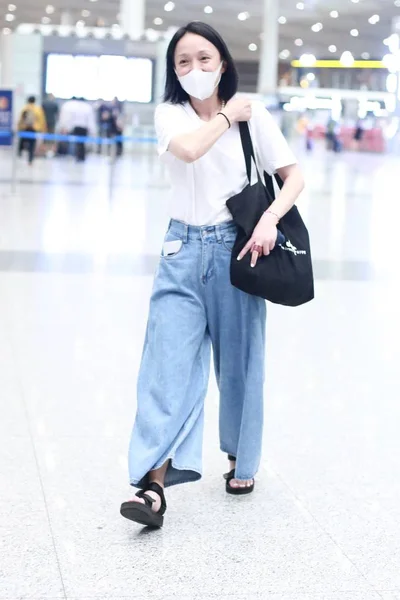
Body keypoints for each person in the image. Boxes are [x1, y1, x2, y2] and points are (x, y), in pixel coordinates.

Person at [120, 21, 304, 528]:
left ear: (222, 62)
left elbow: (294, 177)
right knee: (165, 367)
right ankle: (152, 486)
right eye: (183, 62)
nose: (195, 69)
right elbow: (189, 150)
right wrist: (226, 114)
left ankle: (239, 460)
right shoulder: (170, 115)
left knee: (241, 364)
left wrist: (268, 220)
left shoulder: (256, 116)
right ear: (173, 72)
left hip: (236, 248)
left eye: (204, 59)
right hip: (180, 250)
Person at [58, 96, 96, 162]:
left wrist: (65, 127)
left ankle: (74, 155)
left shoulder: (70, 106)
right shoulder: (87, 107)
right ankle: (81, 157)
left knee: (75, 142)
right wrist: (92, 130)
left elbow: (68, 118)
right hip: (84, 127)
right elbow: (90, 120)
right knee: (81, 143)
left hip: (75, 127)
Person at [17, 96, 47, 165]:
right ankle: (30, 160)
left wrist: (19, 128)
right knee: (32, 145)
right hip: (33, 129)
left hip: (24, 128)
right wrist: (42, 129)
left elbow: (21, 119)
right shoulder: (38, 109)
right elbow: (42, 120)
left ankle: (19, 155)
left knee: (21, 142)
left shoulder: (24, 108)